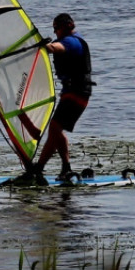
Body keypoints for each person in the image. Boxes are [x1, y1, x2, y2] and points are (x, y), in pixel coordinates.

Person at [27, 13, 92, 182]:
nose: (54, 32)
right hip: (73, 93)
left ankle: (43, 168)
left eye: (55, 29)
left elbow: (56, 48)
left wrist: (45, 46)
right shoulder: (71, 39)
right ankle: (58, 168)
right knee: (56, 130)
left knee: (55, 128)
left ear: (62, 27)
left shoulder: (72, 41)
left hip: (77, 94)